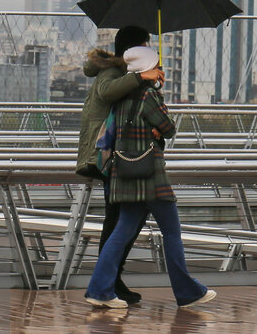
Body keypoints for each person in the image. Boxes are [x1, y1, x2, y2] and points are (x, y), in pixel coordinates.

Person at [84, 46, 216, 309]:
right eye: (157, 65)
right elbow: (168, 128)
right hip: (150, 173)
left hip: (126, 171)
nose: (160, 69)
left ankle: (99, 289)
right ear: (148, 68)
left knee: (122, 230)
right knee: (171, 231)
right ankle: (187, 292)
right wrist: (158, 115)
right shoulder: (149, 95)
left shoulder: (121, 96)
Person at [75, 26, 164, 305]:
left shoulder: (126, 73)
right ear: (134, 50)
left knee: (122, 219)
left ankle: (111, 280)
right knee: (118, 220)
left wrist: (150, 84)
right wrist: (141, 77)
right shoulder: (111, 72)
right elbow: (107, 92)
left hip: (121, 156)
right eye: (145, 45)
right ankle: (108, 283)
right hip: (108, 156)